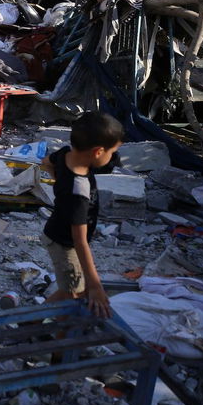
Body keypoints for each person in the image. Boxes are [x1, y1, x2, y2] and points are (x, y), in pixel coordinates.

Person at [40, 111, 124, 319]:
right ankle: (57, 348)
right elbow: (80, 242)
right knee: (73, 298)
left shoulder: (66, 153)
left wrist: (60, 181)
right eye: (111, 152)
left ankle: (29, 320)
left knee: (72, 289)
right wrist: (95, 286)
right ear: (97, 152)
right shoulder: (78, 191)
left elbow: (46, 162)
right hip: (64, 244)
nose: (112, 158)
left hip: (57, 233)